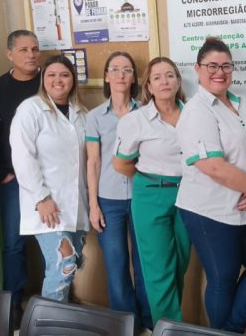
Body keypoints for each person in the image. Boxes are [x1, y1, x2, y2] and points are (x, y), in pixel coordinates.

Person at [175, 37, 246, 333]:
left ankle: (231, 330)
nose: (219, 72)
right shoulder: (196, 111)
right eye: (212, 66)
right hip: (209, 209)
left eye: (225, 66)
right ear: (198, 69)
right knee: (223, 278)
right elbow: (214, 167)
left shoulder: (245, 105)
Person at [113, 57, 190, 326]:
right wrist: (152, 180)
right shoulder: (136, 120)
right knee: (159, 270)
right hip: (151, 194)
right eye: (157, 77)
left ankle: (169, 326)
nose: (164, 81)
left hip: (190, 195)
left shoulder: (194, 114)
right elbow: (121, 164)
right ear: (148, 86)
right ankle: (171, 331)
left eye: (169, 75)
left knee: (179, 264)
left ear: (178, 81)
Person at [9, 55, 89, 302]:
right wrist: (41, 198)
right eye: (51, 75)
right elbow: (22, 156)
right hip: (46, 204)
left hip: (76, 205)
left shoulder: (82, 114)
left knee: (70, 266)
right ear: (43, 79)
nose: (58, 80)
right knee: (64, 264)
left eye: (64, 75)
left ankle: (60, 317)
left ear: (73, 80)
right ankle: (47, 321)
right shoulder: (31, 109)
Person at [86, 52, 152, 330]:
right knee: (116, 264)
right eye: (115, 69)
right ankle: (127, 325)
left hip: (142, 197)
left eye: (127, 70)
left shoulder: (146, 112)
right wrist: (93, 205)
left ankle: (150, 322)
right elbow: (93, 162)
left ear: (134, 77)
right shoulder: (95, 117)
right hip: (108, 200)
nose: (121, 74)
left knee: (145, 262)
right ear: (107, 77)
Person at [0, 29, 41, 325]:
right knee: (13, 243)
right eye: (23, 50)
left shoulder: (50, 81)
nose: (31, 55)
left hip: (48, 178)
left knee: (53, 241)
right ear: (10, 54)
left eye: (34, 49)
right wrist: (0, 173)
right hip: (14, 181)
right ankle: (13, 304)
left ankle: (54, 300)